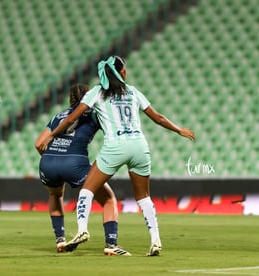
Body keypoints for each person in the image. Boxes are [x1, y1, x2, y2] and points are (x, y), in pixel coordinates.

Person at [37, 56, 195, 256]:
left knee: (87, 190)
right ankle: (155, 241)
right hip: (139, 146)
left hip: (116, 147)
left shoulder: (97, 92)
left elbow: (70, 119)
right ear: (122, 73)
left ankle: (81, 230)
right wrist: (179, 129)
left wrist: (51, 134)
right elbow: (158, 118)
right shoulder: (133, 91)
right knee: (144, 197)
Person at [35, 83, 130, 256]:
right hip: (75, 163)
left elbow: (38, 144)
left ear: (70, 98)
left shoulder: (58, 116)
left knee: (55, 195)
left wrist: (55, 156)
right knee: (108, 200)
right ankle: (111, 244)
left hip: (48, 163)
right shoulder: (95, 114)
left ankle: (60, 240)